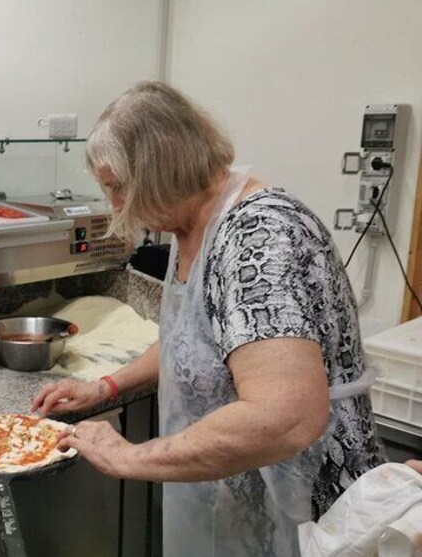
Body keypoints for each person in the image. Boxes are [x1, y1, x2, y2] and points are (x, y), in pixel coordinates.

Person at [31, 82, 386, 556]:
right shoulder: (193, 224)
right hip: (234, 503)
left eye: (117, 186)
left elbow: (284, 416)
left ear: (160, 169)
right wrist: (106, 387)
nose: (116, 205)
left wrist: (128, 455)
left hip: (304, 511)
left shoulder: (258, 235)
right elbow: (190, 337)